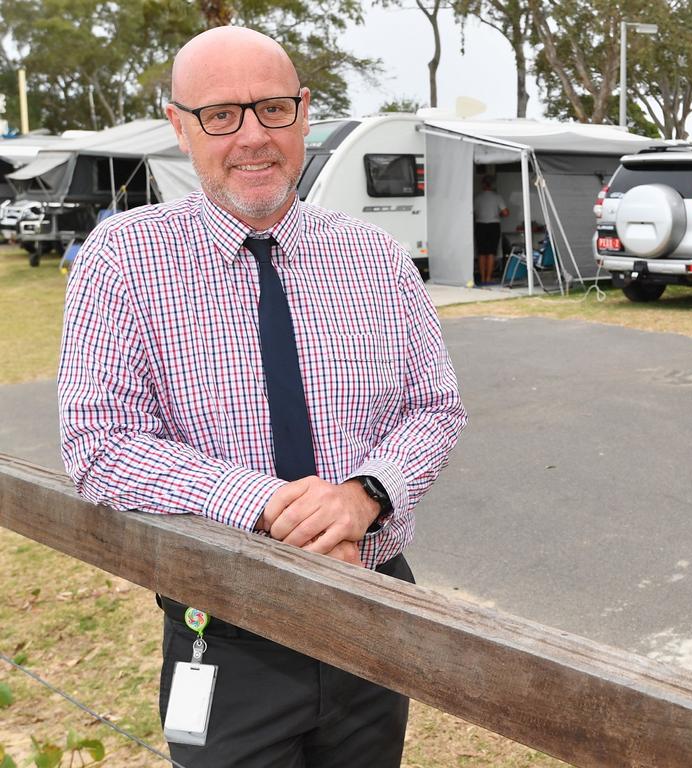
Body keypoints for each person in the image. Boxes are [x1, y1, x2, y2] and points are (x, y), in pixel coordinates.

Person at [57, 26, 466, 768]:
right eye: (221, 115)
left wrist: (365, 494)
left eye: (273, 108)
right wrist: (269, 504)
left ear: (304, 113)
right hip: (224, 625)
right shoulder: (123, 260)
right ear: (180, 125)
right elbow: (98, 443)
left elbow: (434, 406)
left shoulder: (375, 257)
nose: (252, 136)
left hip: (369, 606)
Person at [472, 174, 509, 285]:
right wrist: (497, 214)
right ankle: (488, 278)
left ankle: (482, 278)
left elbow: (471, 212)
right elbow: (506, 212)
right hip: (493, 225)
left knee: (482, 253)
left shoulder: (477, 197)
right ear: (492, 185)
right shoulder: (497, 197)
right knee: (491, 253)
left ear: (482, 184)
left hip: (480, 225)